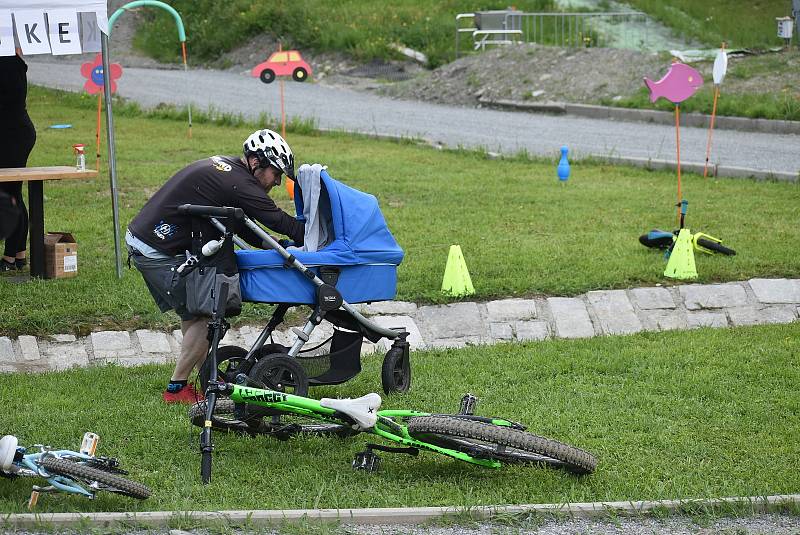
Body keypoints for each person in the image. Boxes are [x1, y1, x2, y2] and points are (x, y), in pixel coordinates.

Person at [126, 129, 304, 403]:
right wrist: (313, 236)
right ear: (257, 162)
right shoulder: (240, 183)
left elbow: (243, 227)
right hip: (157, 249)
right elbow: (279, 220)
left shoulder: (229, 170)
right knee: (207, 315)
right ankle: (177, 389)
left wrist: (277, 244)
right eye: (276, 173)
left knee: (196, 311)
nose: (278, 182)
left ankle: (206, 378)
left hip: (147, 240)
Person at [0, 49, 36, 272]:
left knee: (9, 192)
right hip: (11, 132)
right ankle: (19, 254)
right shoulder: (14, 59)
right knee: (13, 191)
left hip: (13, 134)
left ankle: (10, 258)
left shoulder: (9, 62)